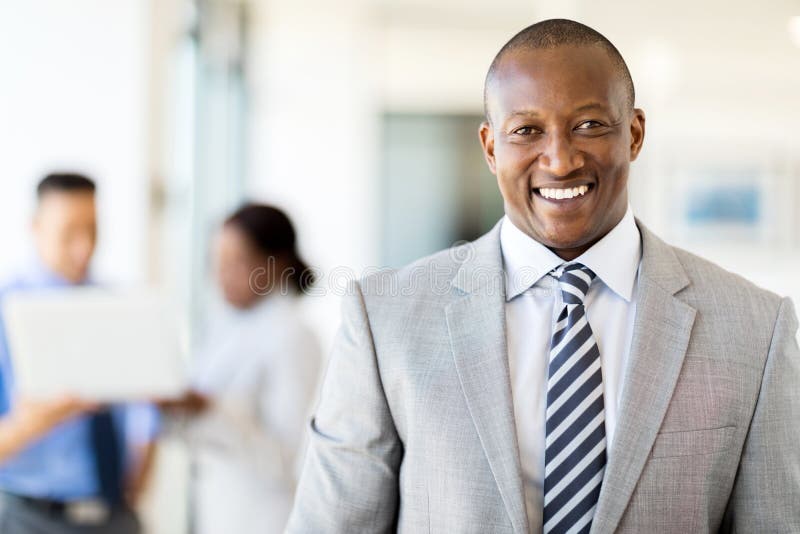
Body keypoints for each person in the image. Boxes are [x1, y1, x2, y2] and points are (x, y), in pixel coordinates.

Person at [287, 19, 800, 534]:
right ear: (490, 148)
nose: (560, 159)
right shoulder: (385, 319)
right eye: (526, 131)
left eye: (589, 125)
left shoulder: (757, 329)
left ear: (635, 133)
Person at [0, 173, 156, 534]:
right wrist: (36, 421)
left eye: (93, 231)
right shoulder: (7, 310)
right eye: (69, 233)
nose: (84, 247)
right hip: (30, 518)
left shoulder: (118, 306)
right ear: (36, 228)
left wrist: (137, 481)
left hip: (114, 515)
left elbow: (147, 414)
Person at [160, 203, 321, 534]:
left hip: (265, 516)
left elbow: (290, 459)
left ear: (275, 265)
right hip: (216, 509)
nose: (221, 275)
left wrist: (210, 410)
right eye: (217, 262)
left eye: (237, 262)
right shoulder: (223, 323)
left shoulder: (293, 336)